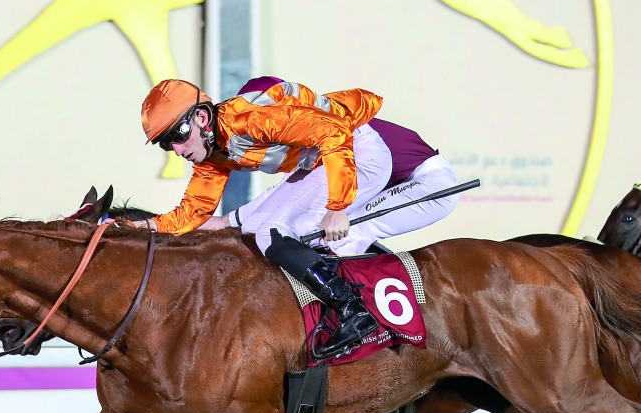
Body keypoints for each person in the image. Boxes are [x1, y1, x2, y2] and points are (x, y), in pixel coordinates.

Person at [129, 77, 458, 358]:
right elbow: (195, 212)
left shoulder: (251, 119)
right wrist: (138, 228)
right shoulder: (217, 149)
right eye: (165, 144)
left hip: (361, 154)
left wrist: (337, 206)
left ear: (201, 117)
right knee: (265, 229)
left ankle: (354, 312)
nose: (175, 149)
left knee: (278, 232)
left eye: (177, 135)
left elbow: (333, 135)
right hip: (331, 160)